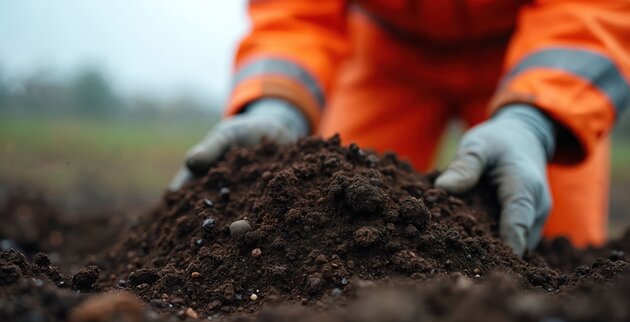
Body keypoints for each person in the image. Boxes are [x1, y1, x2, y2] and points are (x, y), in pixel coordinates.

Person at [170, 1, 630, 256]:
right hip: (385, 57)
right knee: (328, 230)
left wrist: (538, 118)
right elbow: (296, 12)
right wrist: (276, 103)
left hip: (531, 48)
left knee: (556, 254)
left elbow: (593, 10)